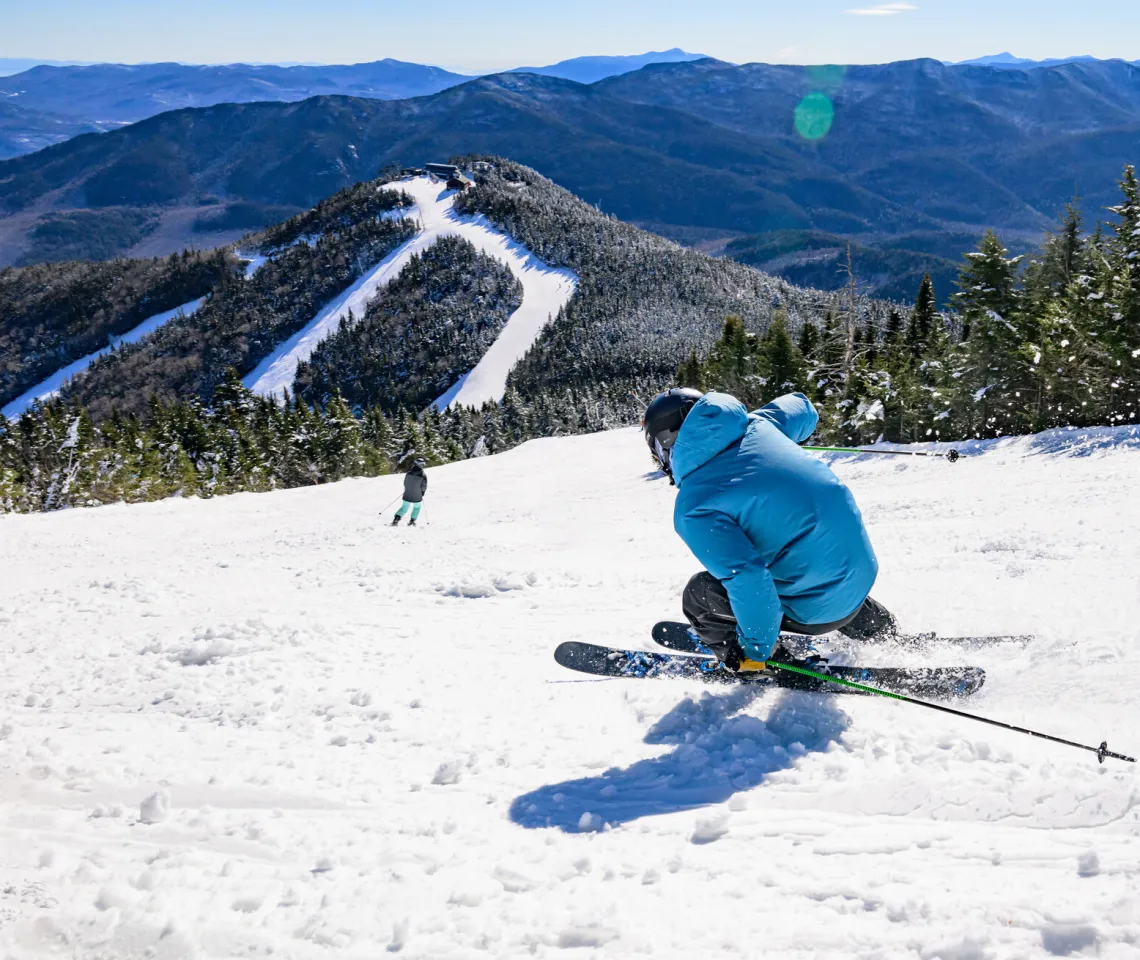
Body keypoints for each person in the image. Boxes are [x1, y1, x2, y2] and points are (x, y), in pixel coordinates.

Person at [643, 388, 897, 671]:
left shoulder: (694, 505)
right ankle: (883, 632)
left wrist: (756, 650)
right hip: (859, 579)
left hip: (815, 613)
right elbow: (802, 407)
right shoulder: (760, 424)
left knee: (699, 593)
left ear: (668, 442)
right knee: (810, 548)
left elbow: (748, 577)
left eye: (657, 451)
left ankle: (759, 664)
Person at [392, 458, 428, 527]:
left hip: (407, 493)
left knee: (404, 507)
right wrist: (422, 493)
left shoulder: (409, 473)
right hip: (417, 494)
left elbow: (405, 483)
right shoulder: (423, 475)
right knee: (416, 507)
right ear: (418, 465)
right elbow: (424, 486)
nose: (423, 466)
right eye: (422, 464)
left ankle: (396, 519)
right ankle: (412, 521)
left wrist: (408, 489)